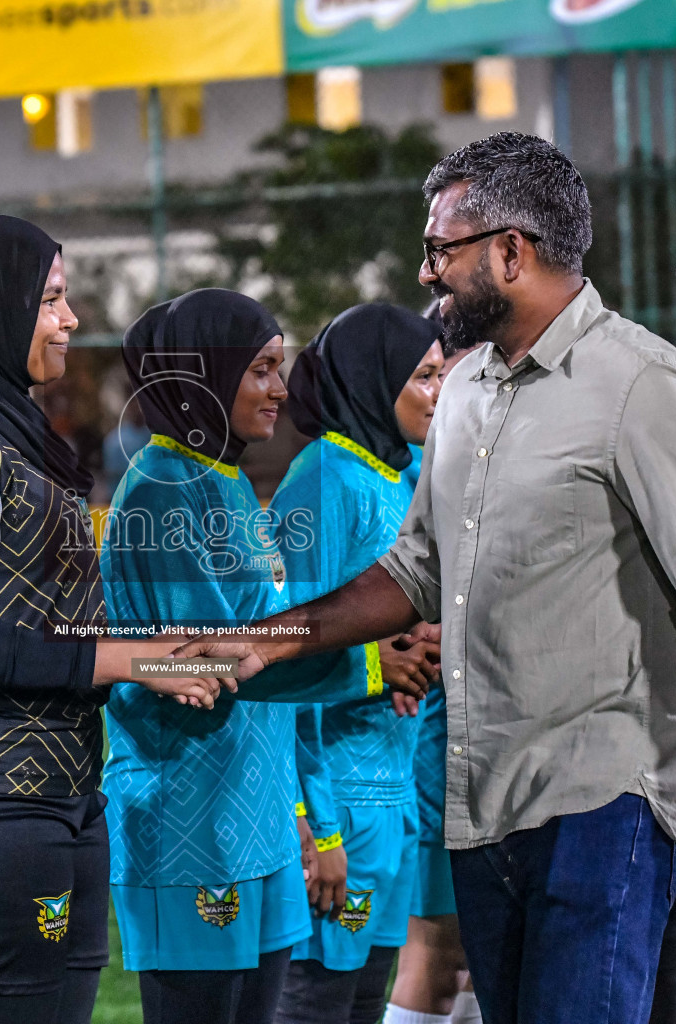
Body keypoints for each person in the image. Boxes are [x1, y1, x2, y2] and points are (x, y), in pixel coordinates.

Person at [178, 131, 676, 1024]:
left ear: (511, 251)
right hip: (483, 801)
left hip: (607, 796)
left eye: (441, 250)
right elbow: (416, 568)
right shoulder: (466, 393)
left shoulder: (644, 386)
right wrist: (271, 641)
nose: (427, 274)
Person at [0, 215, 220, 1024]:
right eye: (51, 301)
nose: (69, 321)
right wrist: (133, 659)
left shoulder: (10, 434)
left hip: (56, 794)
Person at [102, 289, 423, 1024]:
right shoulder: (161, 488)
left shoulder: (228, 481)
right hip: (188, 814)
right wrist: (374, 662)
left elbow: (262, 638)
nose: (280, 388)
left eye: (279, 368)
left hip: (259, 813)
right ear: (206, 378)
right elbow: (210, 662)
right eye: (260, 370)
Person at [267, 303, 444, 1024]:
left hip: (390, 801)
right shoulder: (324, 478)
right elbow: (278, 651)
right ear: (376, 382)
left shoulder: (399, 475)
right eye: (426, 376)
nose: (441, 392)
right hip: (337, 797)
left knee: (362, 1002)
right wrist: (313, 823)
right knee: (313, 1001)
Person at [381, 309, 482, 1024]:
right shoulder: (418, 461)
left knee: (474, 951)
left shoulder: (464, 449)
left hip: (479, 738)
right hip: (432, 737)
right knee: (435, 949)